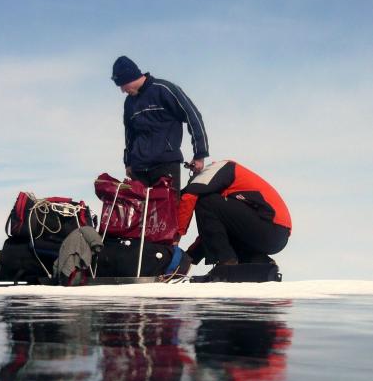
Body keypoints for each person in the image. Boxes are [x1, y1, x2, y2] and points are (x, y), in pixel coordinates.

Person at [178, 159, 292, 279]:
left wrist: (174, 241)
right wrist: (188, 258)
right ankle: (261, 265)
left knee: (205, 201)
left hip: (271, 226)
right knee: (223, 229)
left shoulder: (216, 169)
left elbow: (189, 195)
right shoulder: (225, 193)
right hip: (276, 236)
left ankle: (226, 264)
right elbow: (212, 231)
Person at [111, 56, 209, 192]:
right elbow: (129, 134)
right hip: (139, 169)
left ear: (130, 77)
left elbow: (193, 117)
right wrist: (128, 163)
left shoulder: (164, 89)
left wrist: (200, 154)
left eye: (122, 85)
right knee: (139, 213)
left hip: (165, 165)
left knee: (167, 212)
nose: (122, 90)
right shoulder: (129, 103)